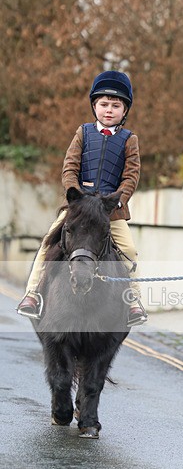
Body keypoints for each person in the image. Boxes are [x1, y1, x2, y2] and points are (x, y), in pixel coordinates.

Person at [16, 70, 147, 327]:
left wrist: (117, 201)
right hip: (78, 208)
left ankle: (133, 301)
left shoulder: (130, 140)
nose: (109, 110)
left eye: (116, 105)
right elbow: (69, 167)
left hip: (110, 211)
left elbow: (131, 175)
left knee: (129, 250)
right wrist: (74, 196)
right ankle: (32, 295)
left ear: (125, 110)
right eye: (104, 104)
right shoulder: (83, 133)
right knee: (47, 243)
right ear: (94, 106)